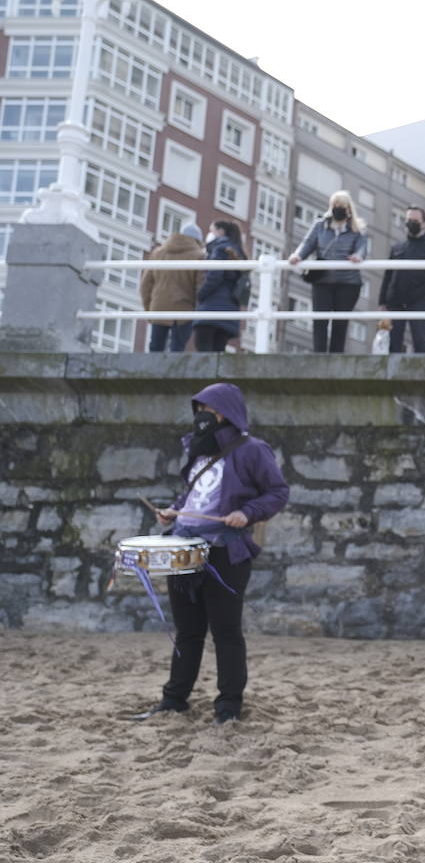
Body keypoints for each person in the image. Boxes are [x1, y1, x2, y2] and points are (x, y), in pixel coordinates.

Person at [142, 382, 289, 724]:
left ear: (226, 413)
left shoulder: (253, 450)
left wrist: (247, 513)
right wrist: (174, 510)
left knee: (226, 631)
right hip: (185, 547)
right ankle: (174, 700)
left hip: (226, 551)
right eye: (199, 411)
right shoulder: (199, 449)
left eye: (208, 411)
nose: (202, 417)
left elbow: (278, 492)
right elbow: (194, 495)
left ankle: (228, 707)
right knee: (187, 631)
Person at [290, 191, 369, 353]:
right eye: (335, 205)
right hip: (322, 281)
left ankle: (336, 356)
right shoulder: (320, 226)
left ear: (349, 209)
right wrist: (297, 255)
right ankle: (318, 356)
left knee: (340, 323)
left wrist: (358, 256)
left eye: (342, 206)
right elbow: (308, 243)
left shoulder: (357, 230)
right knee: (320, 320)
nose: (338, 209)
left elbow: (362, 248)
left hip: (348, 283)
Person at [379, 206, 425, 354]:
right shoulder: (397, 248)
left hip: (419, 300)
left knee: (420, 341)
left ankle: (420, 369)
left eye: (415, 220)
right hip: (395, 300)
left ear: (424, 223)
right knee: (393, 342)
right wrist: (382, 302)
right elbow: (388, 275)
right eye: (409, 220)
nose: (411, 223)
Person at [140, 223, 203, 353]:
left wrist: (149, 310)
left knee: (155, 348)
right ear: (197, 240)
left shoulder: (158, 253)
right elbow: (201, 288)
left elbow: (145, 285)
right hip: (184, 311)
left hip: (158, 307)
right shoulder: (199, 256)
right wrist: (197, 313)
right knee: (177, 350)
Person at [192, 220, 246, 353]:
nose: (210, 234)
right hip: (229, 310)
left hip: (212, 307)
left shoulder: (220, 248)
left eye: (212, 230)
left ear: (221, 231)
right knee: (218, 351)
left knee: (202, 347)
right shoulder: (239, 252)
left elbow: (214, 276)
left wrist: (200, 294)